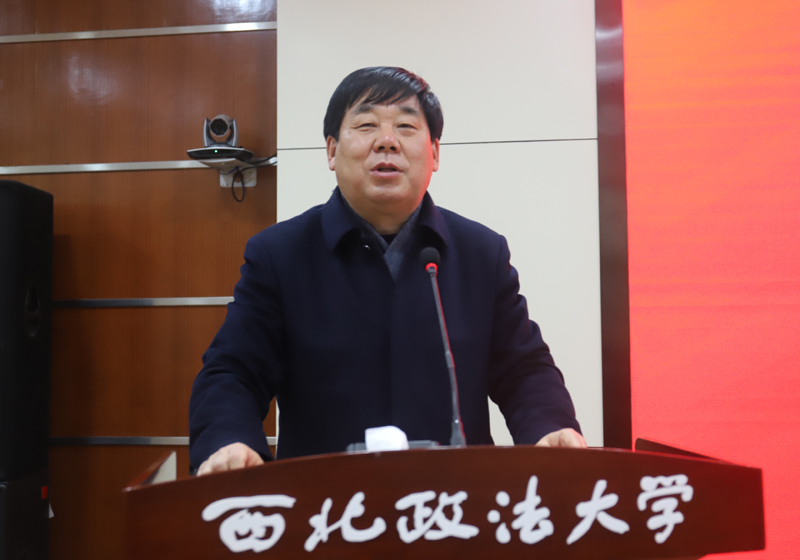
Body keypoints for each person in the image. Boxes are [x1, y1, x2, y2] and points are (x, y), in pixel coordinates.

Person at [189, 67, 586, 476]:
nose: (387, 141)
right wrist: (228, 438)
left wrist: (549, 427)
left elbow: (523, 369)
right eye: (366, 125)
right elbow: (233, 372)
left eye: (406, 127)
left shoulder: (480, 253)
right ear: (331, 150)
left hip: (456, 501)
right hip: (325, 503)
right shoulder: (280, 255)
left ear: (434, 153)